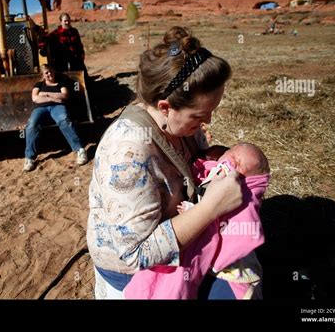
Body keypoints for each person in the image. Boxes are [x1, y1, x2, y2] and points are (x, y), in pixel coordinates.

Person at [86, 26, 250, 299]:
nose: (207, 122)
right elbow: (133, 255)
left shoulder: (180, 123)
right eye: (200, 115)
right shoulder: (127, 151)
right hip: (135, 280)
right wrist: (211, 208)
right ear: (165, 107)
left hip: (184, 249)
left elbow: (191, 165)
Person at [123, 143, 270, 299]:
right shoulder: (209, 171)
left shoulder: (240, 195)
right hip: (176, 235)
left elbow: (220, 221)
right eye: (232, 157)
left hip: (199, 245)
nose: (233, 165)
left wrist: (192, 210)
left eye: (242, 166)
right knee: (155, 273)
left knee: (179, 278)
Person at [23, 64, 87, 171]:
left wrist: (45, 95)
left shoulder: (61, 82)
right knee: (32, 125)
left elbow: (64, 96)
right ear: (43, 76)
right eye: (46, 73)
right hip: (41, 108)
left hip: (57, 107)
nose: (49, 74)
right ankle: (29, 158)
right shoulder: (38, 84)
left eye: (51, 71)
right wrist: (54, 97)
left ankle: (80, 150)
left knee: (64, 120)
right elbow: (35, 98)